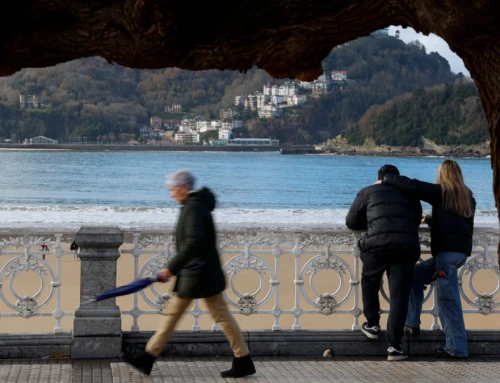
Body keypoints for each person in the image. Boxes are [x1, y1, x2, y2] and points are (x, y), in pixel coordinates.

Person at [123, 169, 255, 378]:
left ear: (184, 187)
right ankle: (242, 359)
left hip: (198, 275)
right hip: (198, 273)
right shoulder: (195, 206)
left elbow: (193, 242)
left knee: (192, 315)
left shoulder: (193, 208)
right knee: (194, 315)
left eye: (173, 189)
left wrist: (171, 268)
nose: (171, 194)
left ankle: (148, 357)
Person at [383, 159, 475, 359]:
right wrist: (432, 220)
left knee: (448, 301)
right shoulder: (467, 196)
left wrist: (387, 178)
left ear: (443, 175)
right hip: (458, 254)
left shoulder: (441, 192)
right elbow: (458, 221)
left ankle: (457, 349)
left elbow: (412, 186)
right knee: (413, 277)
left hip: (446, 255)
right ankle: (411, 323)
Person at [346, 164, 422, 361]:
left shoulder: (367, 191)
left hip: (376, 245)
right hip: (406, 248)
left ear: (378, 177)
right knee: (399, 297)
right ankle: (394, 347)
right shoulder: (411, 193)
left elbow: (351, 221)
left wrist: (373, 223)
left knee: (370, 280)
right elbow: (414, 219)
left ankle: (372, 323)